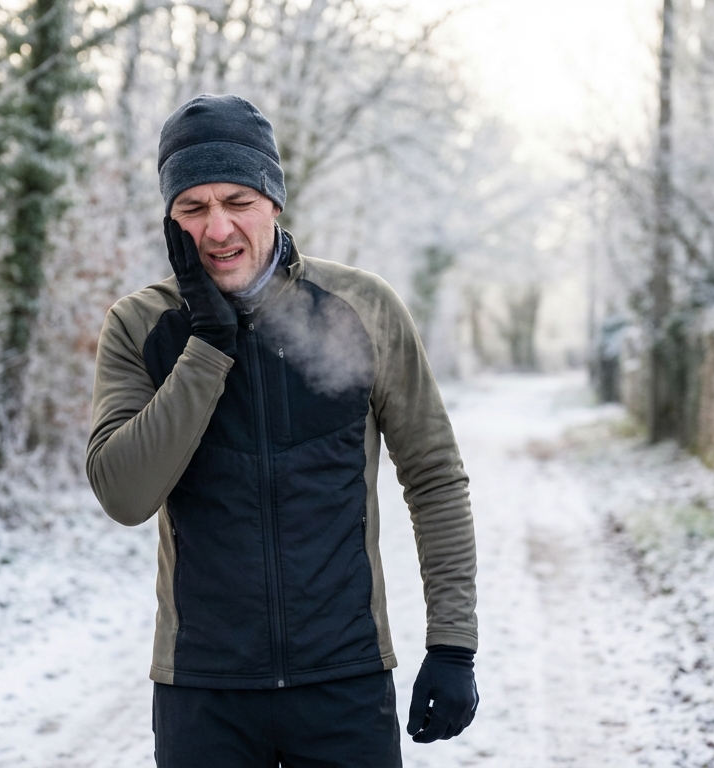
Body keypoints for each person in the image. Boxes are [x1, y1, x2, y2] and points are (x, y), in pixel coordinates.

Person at [87, 93, 478, 767]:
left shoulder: (362, 309)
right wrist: (209, 343)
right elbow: (124, 495)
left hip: (344, 682)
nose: (217, 229)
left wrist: (452, 644)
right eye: (193, 207)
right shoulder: (141, 326)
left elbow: (435, 478)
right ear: (171, 219)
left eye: (237, 201)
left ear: (274, 200)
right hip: (204, 694)